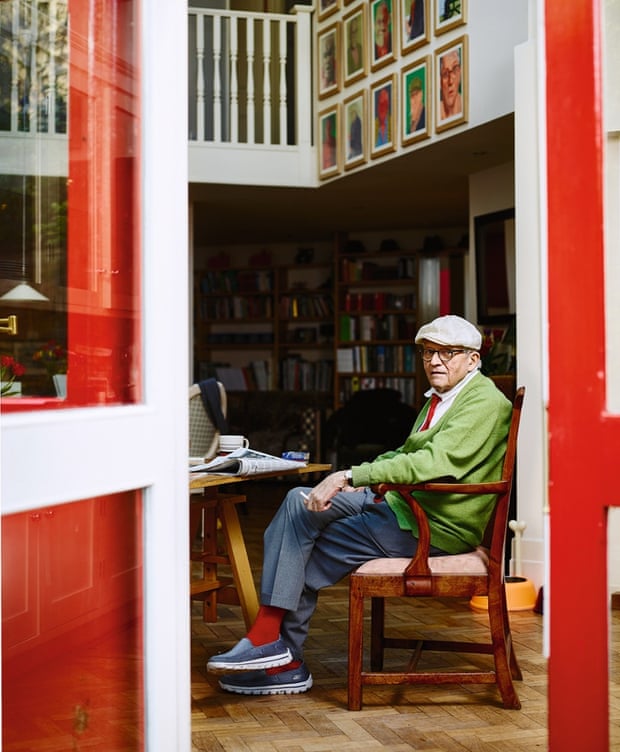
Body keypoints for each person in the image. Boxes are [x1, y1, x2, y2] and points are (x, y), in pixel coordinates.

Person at [207, 315, 512, 695]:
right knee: (299, 501)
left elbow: (430, 464)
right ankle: (273, 648)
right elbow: (405, 452)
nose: (435, 361)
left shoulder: (483, 402)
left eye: (448, 353)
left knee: (306, 547)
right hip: (403, 504)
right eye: (429, 352)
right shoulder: (443, 397)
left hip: (430, 526)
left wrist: (349, 476)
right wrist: (364, 479)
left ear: (473, 359)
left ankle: (280, 657)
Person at [439, 47, 463, 120]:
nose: (450, 81)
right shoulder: (435, 114)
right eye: (445, 74)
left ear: (460, 72)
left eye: (455, 70)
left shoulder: (467, 105)